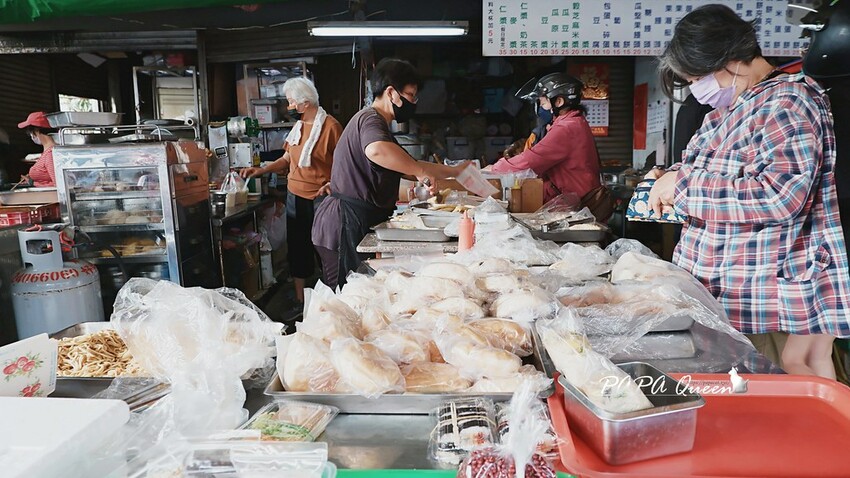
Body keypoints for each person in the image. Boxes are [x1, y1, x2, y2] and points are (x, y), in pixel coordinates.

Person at [650, 4, 850, 379]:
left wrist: (685, 186)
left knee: (784, 393)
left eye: (697, 78)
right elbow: (705, 170)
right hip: (722, 295)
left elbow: (780, 195)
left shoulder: (787, 103)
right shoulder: (726, 113)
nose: (697, 89)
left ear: (729, 62)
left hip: (763, 300)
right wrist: (670, 178)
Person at [311, 58, 467, 289]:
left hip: (353, 220)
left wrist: (456, 171)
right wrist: (421, 171)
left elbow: (409, 164)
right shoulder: (370, 119)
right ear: (391, 92)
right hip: (343, 225)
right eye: (411, 95)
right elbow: (377, 151)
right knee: (346, 299)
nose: (413, 102)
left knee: (359, 295)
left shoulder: (379, 126)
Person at [241, 77, 342, 304]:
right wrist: (261, 170)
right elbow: (287, 158)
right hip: (295, 195)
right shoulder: (297, 127)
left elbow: (342, 164)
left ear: (305, 103)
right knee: (298, 247)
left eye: (291, 102)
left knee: (323, 247)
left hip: (320, 198)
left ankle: (330, 299)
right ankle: (300, 299)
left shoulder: (331, 127)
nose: (289, 107)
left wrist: (333, 185)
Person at [489, 73, 602, 204]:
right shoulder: (575, 121)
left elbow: (533, 159)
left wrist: (496, 168)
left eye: (543, 103)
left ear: (559, 102)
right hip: (574, 196)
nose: (541, 108)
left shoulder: (566, 128)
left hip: (574, 201)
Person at [17, 111, 57, 187]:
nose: (31, 136)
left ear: (36, 131)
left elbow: (58, 186)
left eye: (30, 133)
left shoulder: (50, 154)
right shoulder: (46, 152)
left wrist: (33, 183)